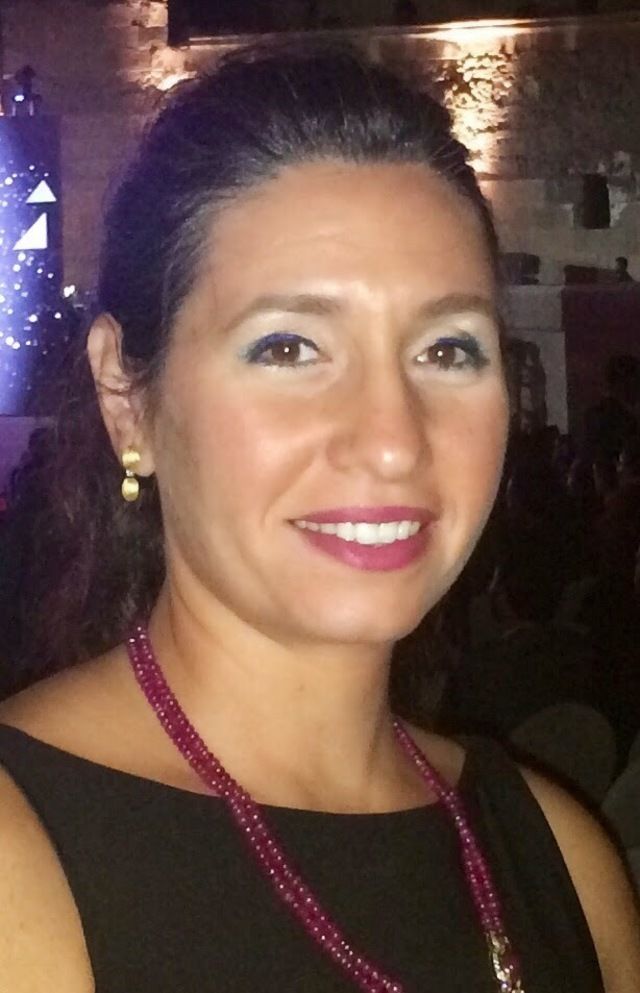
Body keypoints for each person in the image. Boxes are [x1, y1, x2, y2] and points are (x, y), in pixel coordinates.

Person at [0, 42, 638, 993]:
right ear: (127, 399)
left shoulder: (565, 861)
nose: (392, 440)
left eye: (448, 350)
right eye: (290, 347)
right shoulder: (22, 856)